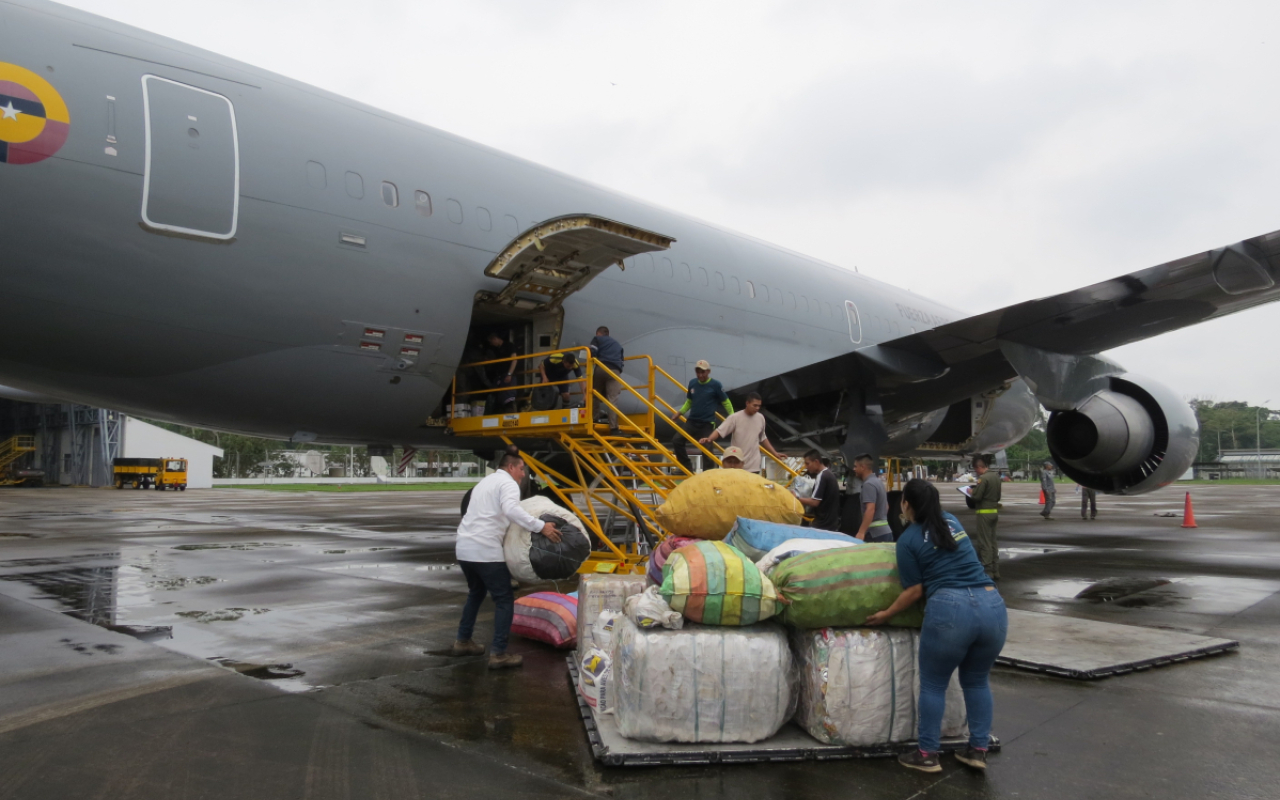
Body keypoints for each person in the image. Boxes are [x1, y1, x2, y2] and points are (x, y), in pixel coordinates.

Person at [867, 479, 1006, 774]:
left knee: (933, 684)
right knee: (978, 681)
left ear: (906, 505)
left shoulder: (908, 540)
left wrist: (886, 614)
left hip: (951, 610)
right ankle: (977, 749)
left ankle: (928, 753)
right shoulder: (951, 521)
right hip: (992, 605)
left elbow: (914, 590)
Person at [451, 451, 561, 669]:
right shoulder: (508, 484)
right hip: (485, 551)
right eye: (521, 469)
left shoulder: (485, 482)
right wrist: (541, 527)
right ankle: (499, 654)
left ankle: (463, 641)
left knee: (476, 593)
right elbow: (512, 510)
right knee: (503, 599)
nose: (523, 474)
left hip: (464, 548)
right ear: (511, 467)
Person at [669, 360, 733, 472]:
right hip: (692, 421)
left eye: (703, 372)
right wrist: (679, 413)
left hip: (707, 423)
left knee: (707, 448)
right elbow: (689, 401)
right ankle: (687, 468)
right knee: (677, 440)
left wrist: (733, 417)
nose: (700, 375)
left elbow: (726, 402)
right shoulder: (693, 383)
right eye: (698, 372)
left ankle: (708, 474)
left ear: (708, 372)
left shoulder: (715, 385)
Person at [698, 392, 782, 474]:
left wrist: (775, 453)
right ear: (747, 403)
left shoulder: (761, 418)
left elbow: (763, 438)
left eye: (759, 406)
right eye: (755, 405)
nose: (757, 408)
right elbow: (720, 431)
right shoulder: (735, 417)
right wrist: (709, 439)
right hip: (737, 465)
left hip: (754, 465)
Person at [969, 455, 1002, 580]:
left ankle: (987, 570)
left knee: (984, 542)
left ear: (979, 467)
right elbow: (998, 496)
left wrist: (972, 492)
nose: (976, 472)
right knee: (993, 542)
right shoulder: (996, 477)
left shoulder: (983, 479)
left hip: (984, 513)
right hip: (994, 512)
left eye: (975, 469)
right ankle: (996, 569)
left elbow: (977, 497)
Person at [588, 327, 625, 429]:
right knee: (613, 399)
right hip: (615, 371)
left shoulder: (597, 339)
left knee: (595, 394)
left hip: (601, 367)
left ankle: (593, 418)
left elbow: (592, 352)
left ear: (598, 333)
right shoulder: (617, 344)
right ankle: (613, 427)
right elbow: (622, 362)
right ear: (608, 334)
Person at [795, 449, 840, 530]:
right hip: (831, 522)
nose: (806, 466)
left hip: (823, 523)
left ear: (816, 462)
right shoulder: (829, 474)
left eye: (807, 463)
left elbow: (814, 502)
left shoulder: (822, 476)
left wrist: (796, 498)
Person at [851, 454, 891, 542]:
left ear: (862, 467)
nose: (854, 469)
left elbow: (870, 509)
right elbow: (886, 506)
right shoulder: (878, 482)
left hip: (875, 535)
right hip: (885, 532)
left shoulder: (868, 484)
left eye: (855, 466)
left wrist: (861, 532)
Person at [484, 332, 520, 414]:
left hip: (507, 375)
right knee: (498, 396)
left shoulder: (509, 346)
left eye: (491, 341)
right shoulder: (497, 349)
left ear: (495, 339)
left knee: (508, 397)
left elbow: (514, 360)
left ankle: (511, 413)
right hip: (500, 376)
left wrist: (509, 374)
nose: (491, 344)